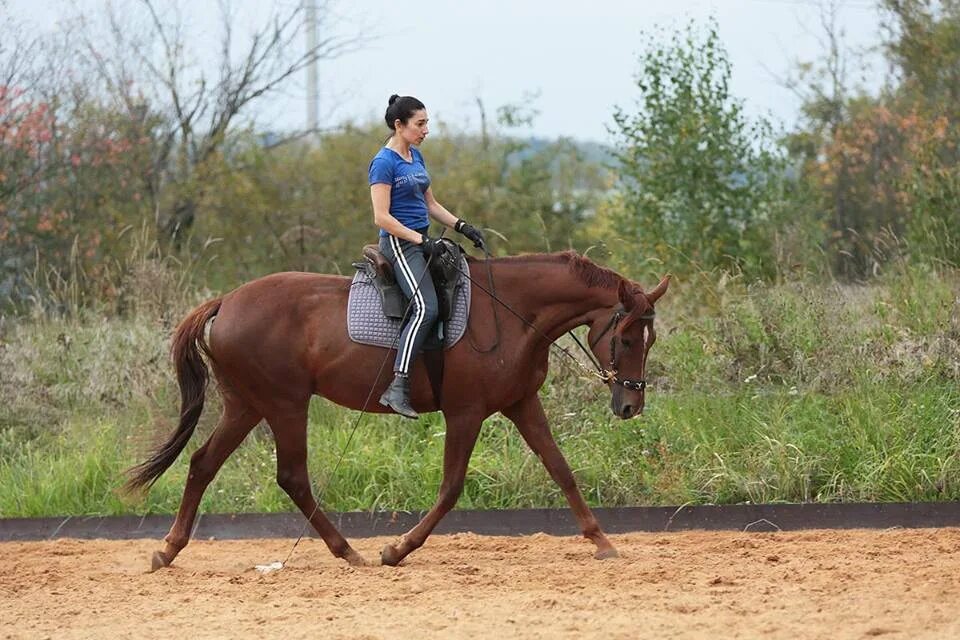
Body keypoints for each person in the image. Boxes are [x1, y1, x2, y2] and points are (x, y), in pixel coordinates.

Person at [369, 94, 486, 419]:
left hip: (422, 242)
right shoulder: (384, 162)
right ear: (399, 125)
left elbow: (430, 204)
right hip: (399, 245)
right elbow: (381, 217)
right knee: (425, 307)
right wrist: (421, 239)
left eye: (426, 123)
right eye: (420, 124)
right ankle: (398, 386)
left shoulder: (415, 157)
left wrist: (463, 226)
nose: (426, 129)